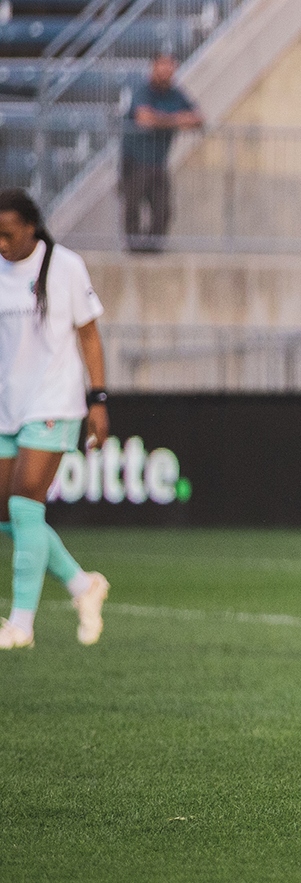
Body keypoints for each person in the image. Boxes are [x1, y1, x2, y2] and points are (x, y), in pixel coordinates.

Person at [0, 189, 112, 650]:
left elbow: (89, 336)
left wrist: (98, 399)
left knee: (25, 504)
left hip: (54, 402)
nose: (2, 243)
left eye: (7, 234)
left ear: (30, 226)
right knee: (8, 512)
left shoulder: (65, 266)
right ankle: (82, 585)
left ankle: (20, 624)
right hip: (8, 405)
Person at [120, 54, 202, 252]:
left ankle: (152, 251)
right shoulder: (143, 91)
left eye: (170, 66)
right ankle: (135, 250)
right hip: (136, 160)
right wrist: (175, 120)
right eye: (162, 66)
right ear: (153, 67)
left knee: (163, 210)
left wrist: (162, 121)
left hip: (158, 162)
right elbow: (144, 118)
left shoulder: (175, 94)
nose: (166, 71)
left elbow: (197, 119)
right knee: (132, 207)